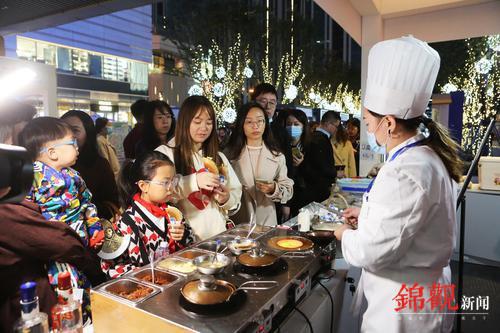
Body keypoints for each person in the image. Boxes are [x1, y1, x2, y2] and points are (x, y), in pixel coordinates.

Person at [334, 36, 461, 333]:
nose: (366, 129)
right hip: (425, 292)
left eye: (367, 122)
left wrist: (343, 234)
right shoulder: (425, 155)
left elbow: (370, 252)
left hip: (404, 307)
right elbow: (409, 223)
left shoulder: (404, 171)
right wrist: (365, 217)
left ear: (388, 123)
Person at [0, 102, 104, 331]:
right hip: (53, 254)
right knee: (66, 294)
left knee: (83, 290)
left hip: (80, 244)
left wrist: (94, 225)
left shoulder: (75, 176)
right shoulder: (29, 179)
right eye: (72, 143)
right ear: (52, 152)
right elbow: (40, 230)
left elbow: (87, 202)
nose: (77, 148)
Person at [156, 96, 242, 241]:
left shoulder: (218, 157)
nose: (204, 128)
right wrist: (194, 181)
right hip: (183, 242)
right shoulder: (165, 153)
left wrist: (226, 199)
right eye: (197, 121)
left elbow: (235, 194)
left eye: (209, 122)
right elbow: (159, 192)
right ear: (184, 121)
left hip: (219, 237)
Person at [101, 151, 193, 279]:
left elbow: (190, 245)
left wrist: (183, 236)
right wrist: (144, 273)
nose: (171, 188)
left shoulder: (173, 213)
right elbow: (109, 267)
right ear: (144, 186)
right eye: (165, 183)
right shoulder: (127, 223)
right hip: (145, 288)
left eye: (173, 181)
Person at [226, 103, 293, 226]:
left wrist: (274, 188)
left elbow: (288, 190)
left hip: (267, 220)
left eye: (260, 121)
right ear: (242, 125)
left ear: (265, 124)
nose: (255, 126)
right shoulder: (229, 156)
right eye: (249, 122)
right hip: (239, 222)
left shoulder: (277, 156)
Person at [61, 110, 119, 220]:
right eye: (63, 130)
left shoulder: (99, 165)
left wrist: (84, 210)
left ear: (88, 133)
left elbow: (112, 202)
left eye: (75, 130)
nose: (68, 136)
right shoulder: (50, 165)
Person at [302, 111, 339, 204]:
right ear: (327, 124)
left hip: (313, 186)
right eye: (336, 126)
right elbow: (321, 165)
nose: (336, 129)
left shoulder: (313, 136)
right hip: (317, 189)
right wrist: (335, 172)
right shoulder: (320, 139)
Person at [284, 109, 310, 217]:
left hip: (305, 198)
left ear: (303, 126)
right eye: (289, 124)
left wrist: (302, 165)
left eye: (296, 124)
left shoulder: (310, 147)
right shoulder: (281, 147)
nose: (292, 127)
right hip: (287, 198)